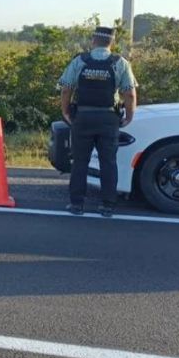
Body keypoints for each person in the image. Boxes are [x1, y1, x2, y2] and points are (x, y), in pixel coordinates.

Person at [58, 26, 138, 217]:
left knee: (80, 162)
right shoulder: (120, 63)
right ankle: (107, 206)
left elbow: (66, 89)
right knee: (108, 162)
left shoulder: (80, 60)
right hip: (109, 119)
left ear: (93, 40)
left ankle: (77, 204)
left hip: (83, 117)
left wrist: (65, 111)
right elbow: (129, 93)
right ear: (112, 42)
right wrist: (129, 115)